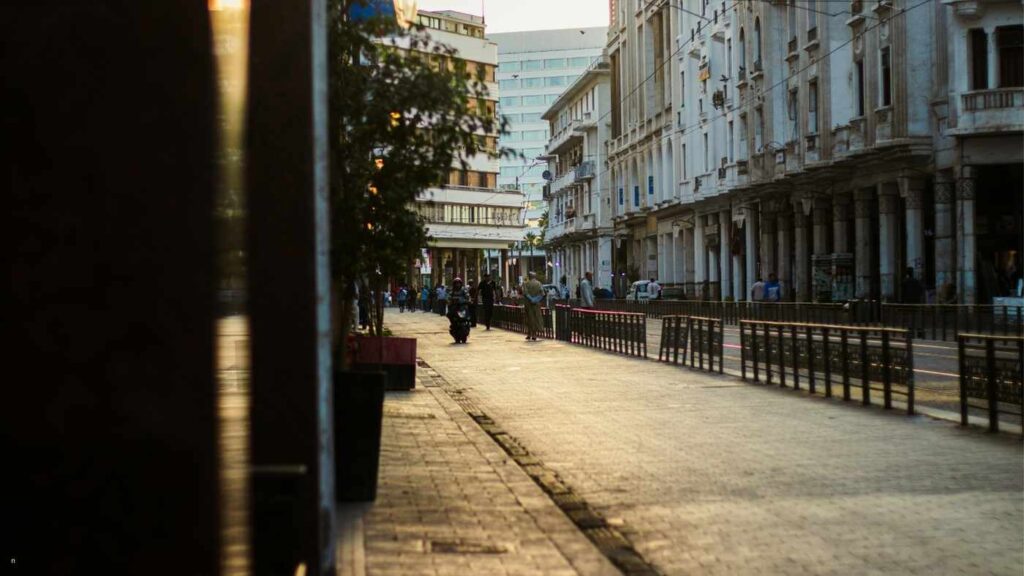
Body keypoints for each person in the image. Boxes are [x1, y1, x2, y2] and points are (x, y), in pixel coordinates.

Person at [522, 271, 545, 341]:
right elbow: (542, 294)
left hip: (528, 304)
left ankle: (529, 334)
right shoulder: (539, 283)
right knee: (536, 318)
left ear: (529, 277)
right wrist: (536, 299)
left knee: (528, 318)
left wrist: (531, 299)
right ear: (535, 276)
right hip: (536, 304)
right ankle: (534, 334)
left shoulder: (525, 284)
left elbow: (525, 293)